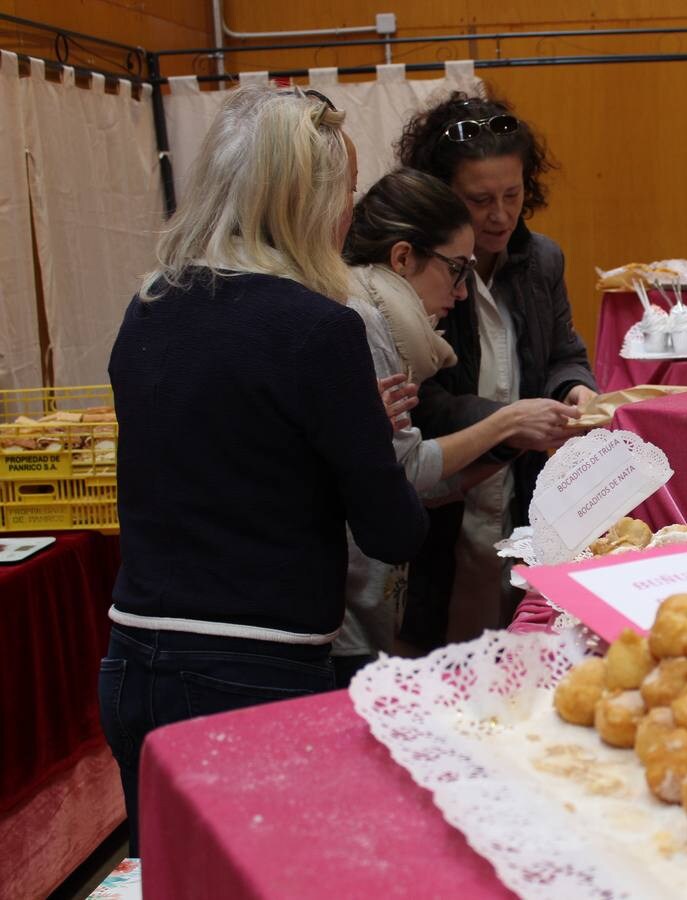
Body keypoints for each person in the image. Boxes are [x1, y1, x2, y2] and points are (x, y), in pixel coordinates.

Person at [99, 85, 429, 852]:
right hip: (252, 670)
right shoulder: (318, 329)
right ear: (307, 202)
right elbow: (391, 530)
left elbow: (217, 454)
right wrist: (362, 443)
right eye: (344, 193)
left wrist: (334, 432)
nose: (349, 215)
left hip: (131, 658)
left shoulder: (147, 306)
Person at [333, 168, 579, 681]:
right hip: (346, 601)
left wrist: (512, 440)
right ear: (403, 257)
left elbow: (414, 483)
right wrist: (508, 418)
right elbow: (410, 471)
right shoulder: (363, 320)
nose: (463, 293)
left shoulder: (378, 319)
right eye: (456, 269)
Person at [395, 92, 599, 647]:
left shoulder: (541, 259)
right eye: (479, 199)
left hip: (519, 485)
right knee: (439, 637)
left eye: (513, 195)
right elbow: (423, 399)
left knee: (521, 635)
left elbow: (562, 353)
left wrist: (575, 390)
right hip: (449, 481)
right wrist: (510, 423)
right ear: (441, 195)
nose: (500, 214)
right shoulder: (416, 268)